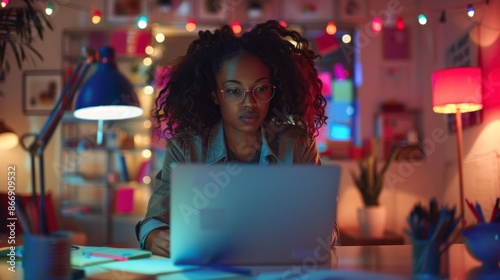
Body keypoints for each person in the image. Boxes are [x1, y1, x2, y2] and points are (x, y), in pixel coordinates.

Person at [135, 20, 337, 257]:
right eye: (233, 90)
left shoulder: (298, 145)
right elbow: (152, 222)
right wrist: (155, 236)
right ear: (215, 96)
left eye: (260, 89)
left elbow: (327, 228)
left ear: (274, 92)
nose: (249, 102)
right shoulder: (186, 148)